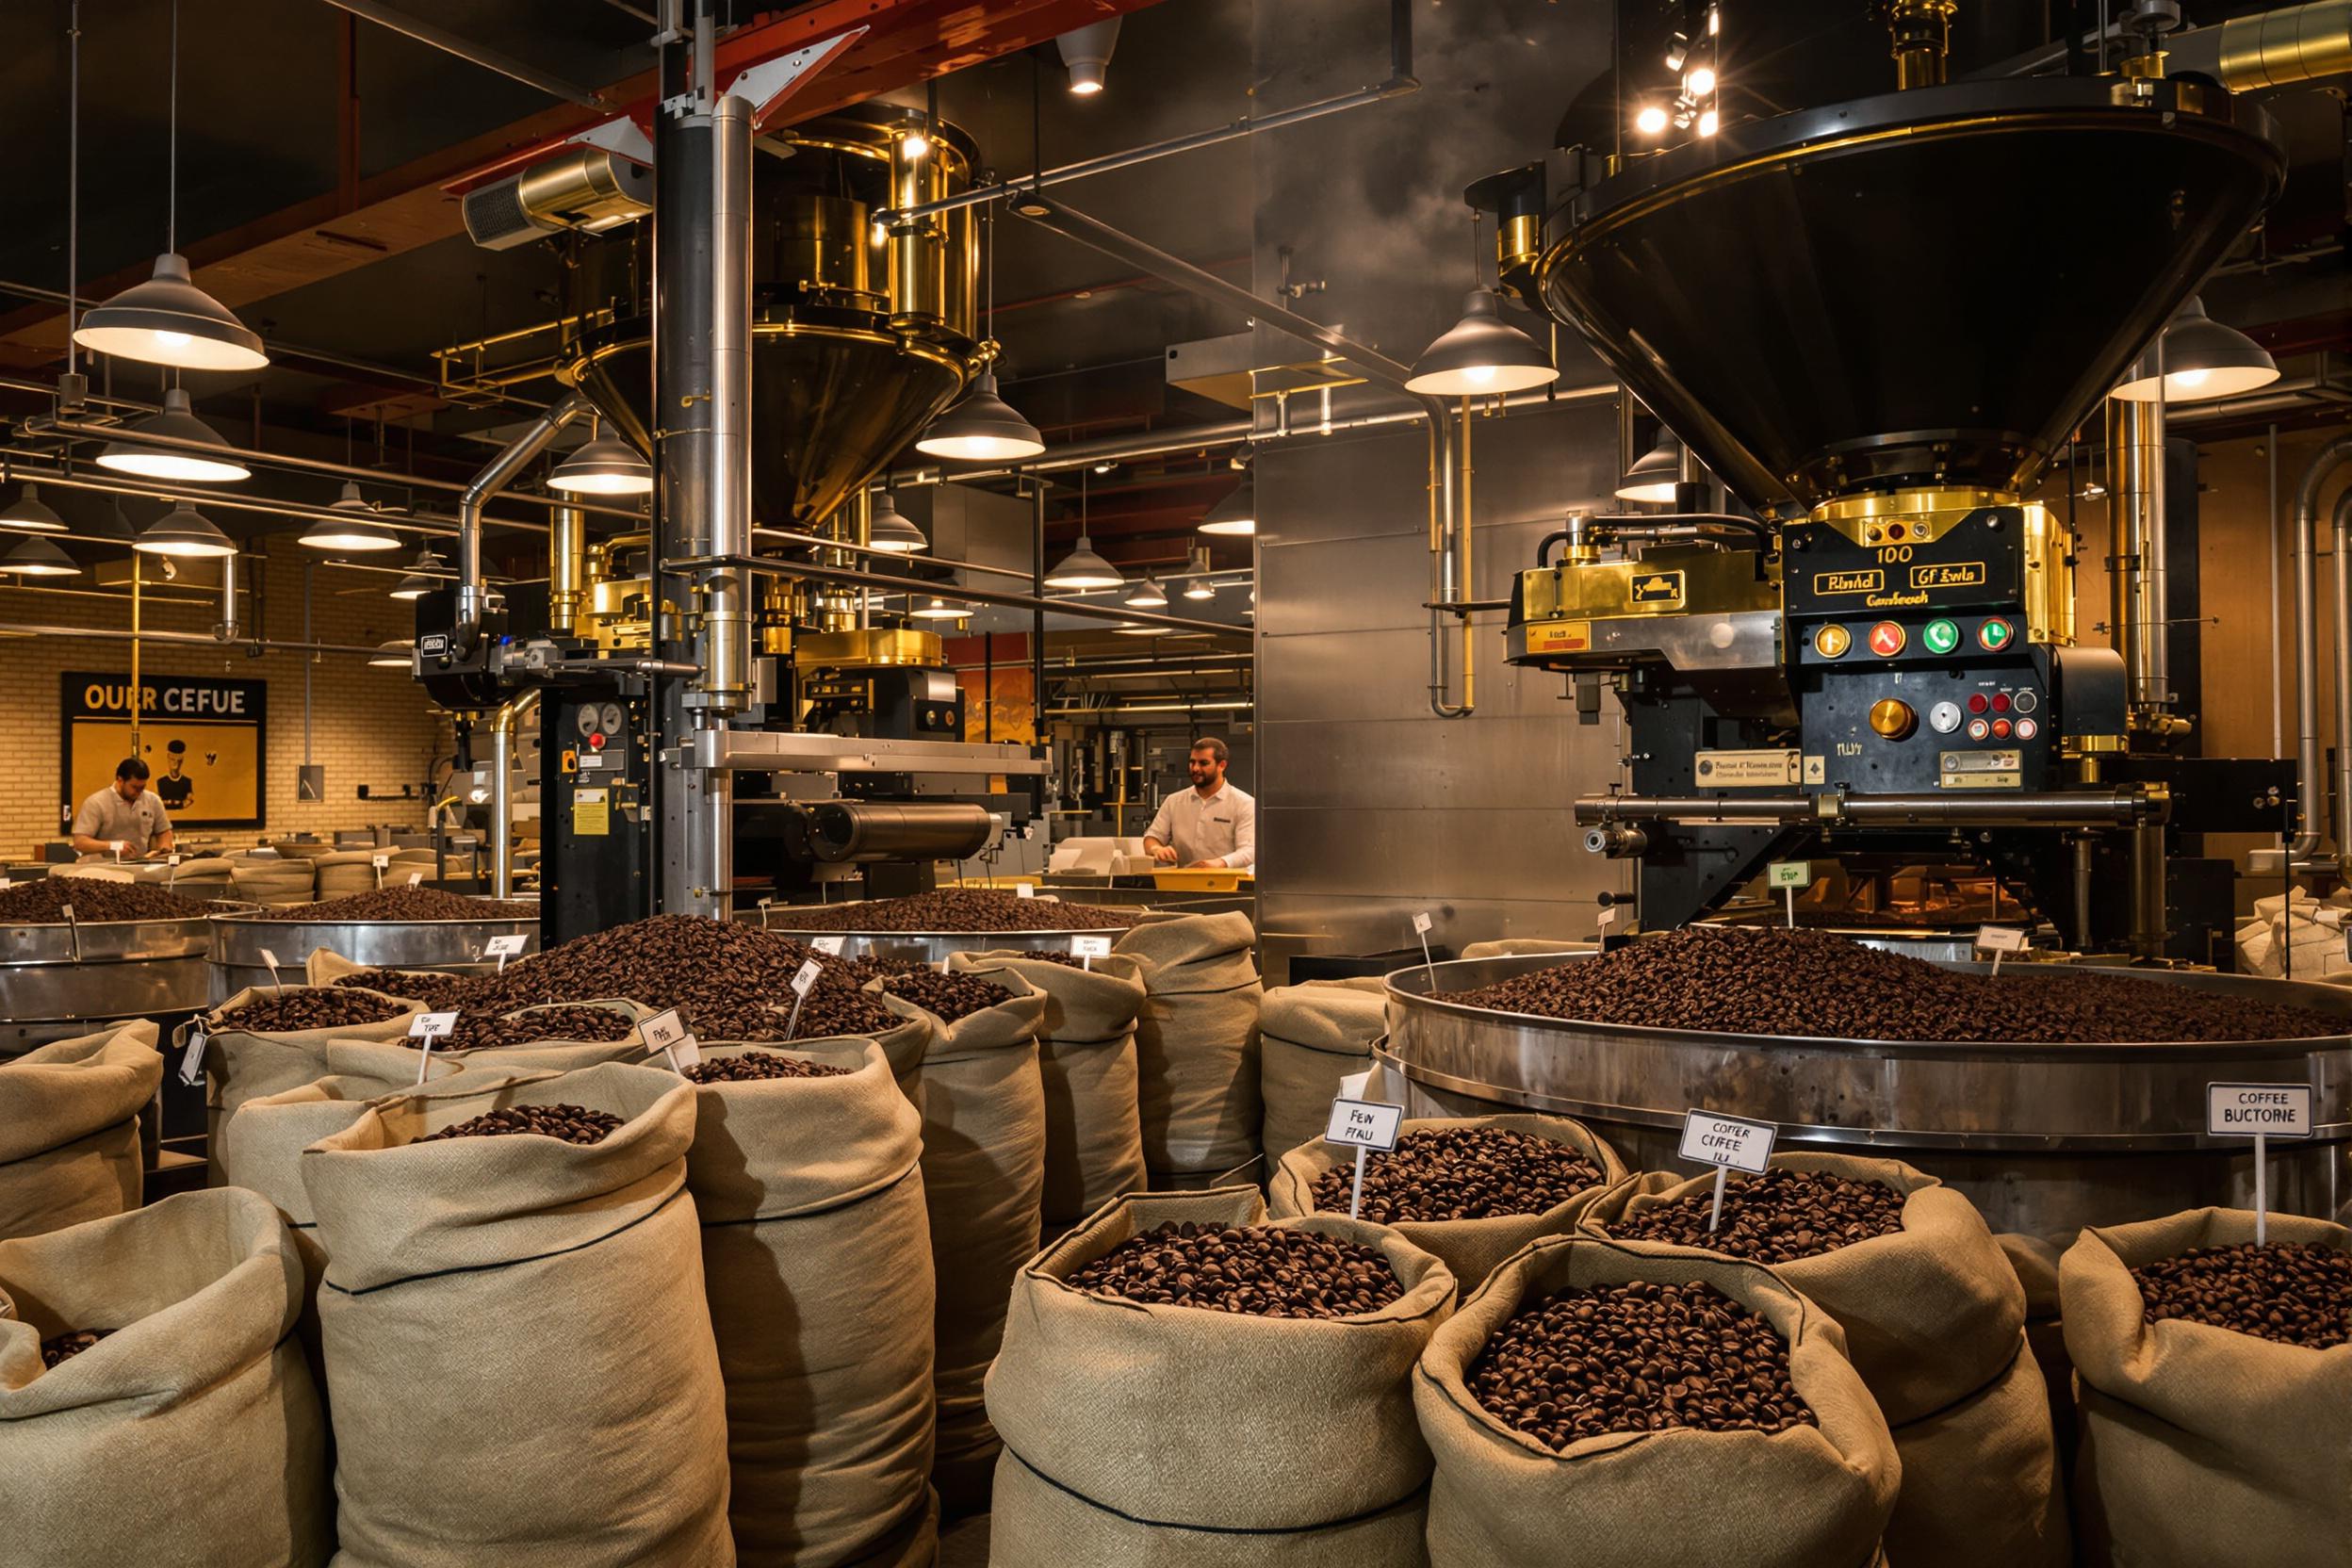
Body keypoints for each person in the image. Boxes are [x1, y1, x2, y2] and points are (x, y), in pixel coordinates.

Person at [1142, 736, 1255, 872]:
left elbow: (1249, 851)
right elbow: (1152, 837)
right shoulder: (1174, 801)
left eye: (1203, 763)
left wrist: (1219, 863)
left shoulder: (1244, 804)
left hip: (1226, 884)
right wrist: (1157, 849)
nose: (1195, 768)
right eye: (1192, 762)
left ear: (1222, 765)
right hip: (1182, 884)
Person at [71, 757, 174, 860]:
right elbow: (80, 842)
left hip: (139, 865)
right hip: (101, 868)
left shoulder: (153, 801)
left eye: (142, 788)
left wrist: (162, 852)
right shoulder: (96, 802)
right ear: (120, 780)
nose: (139, 792)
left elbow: (164, 832)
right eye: (134, 787)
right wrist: (114, 846)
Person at [155, 739, 195, 810]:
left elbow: (189, 800)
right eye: (172, 759)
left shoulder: (187, 782)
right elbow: (158, 803)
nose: (175, 763)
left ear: (182, 760)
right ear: (168, 757)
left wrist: (170, 803)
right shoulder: (161, 782)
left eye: (178, 760)